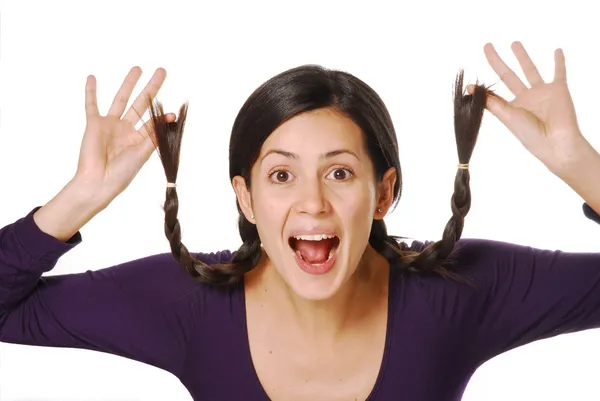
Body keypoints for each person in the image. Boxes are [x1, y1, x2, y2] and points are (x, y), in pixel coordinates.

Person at [0, 41, 599, 401]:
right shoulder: (188, 300)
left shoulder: (460, 292)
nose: (312, 203)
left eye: (339, 173)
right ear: (246, 199)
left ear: (384, 192)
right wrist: (80, 197)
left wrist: (580, 165)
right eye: (282, 176)